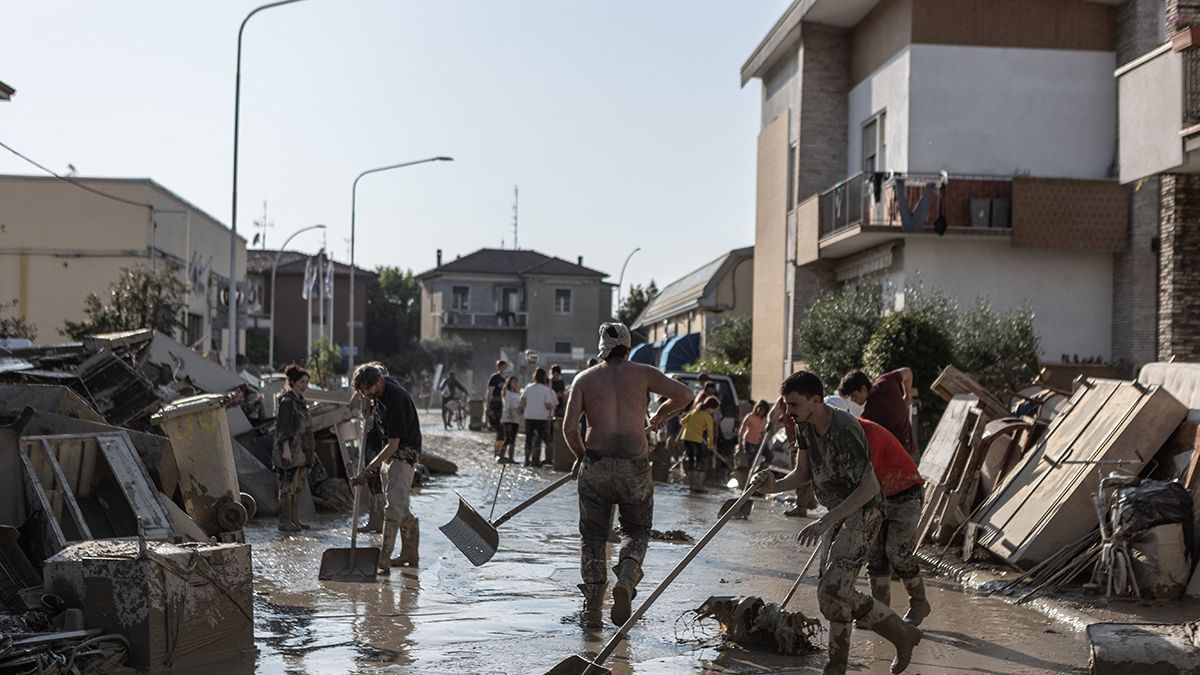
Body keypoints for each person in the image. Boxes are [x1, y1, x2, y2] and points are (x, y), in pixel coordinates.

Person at [750, 371, 922, 675]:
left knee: (833, 587)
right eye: (787, 405)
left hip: (865, 511)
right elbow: (802, 473)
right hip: (839, 511)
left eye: (794, 405)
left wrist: (825, 521)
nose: (788, 412)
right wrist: (772, 486)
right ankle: (837, 666)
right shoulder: (804, 425)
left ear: (816, 401)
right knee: (830, 595)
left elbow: (869, 488)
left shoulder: (844, 429)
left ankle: (901, 634)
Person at [562, 323, 693, 629]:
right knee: (636, 530)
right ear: (628, 345)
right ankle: (627, 577)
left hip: (596, 463)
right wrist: (664, 412)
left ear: (601, 347)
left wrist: (581, 457)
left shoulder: (584, 379)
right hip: (635, 465)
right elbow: (686, 395)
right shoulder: (644, 373)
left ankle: (592, 609)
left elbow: (569, 429)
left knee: (593, 534)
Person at [825, 397, 931, 627]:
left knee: (897, 551)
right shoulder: (838, 440)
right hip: (878, 496)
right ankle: (880, 613)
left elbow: (860, 481)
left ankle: (919, 602)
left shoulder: (867, 435)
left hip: (904, 493)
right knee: (875, 556)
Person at [351, 364, 423, 572]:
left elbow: (394, 445)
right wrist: (366, 402)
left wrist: (368, 470)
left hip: (405, 453)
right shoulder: (377, 391)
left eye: (368, 390)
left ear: (379, 382)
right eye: (363, 392)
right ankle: (410, 553)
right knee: (398, 504)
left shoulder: (395, 399)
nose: (366, 395)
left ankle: (383, 558)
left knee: (392, 507)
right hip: (392, 453)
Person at [273, 364, 315, 532]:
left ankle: (295, 520)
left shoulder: (300, 402)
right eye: (301, 382)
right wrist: (286, 449)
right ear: (292, 382)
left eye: (306, 382)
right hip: (289, 450)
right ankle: (284, 522)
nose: (304, 385)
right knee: (287, 487)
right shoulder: (287, 402)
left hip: (301, 451)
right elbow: (284, 427)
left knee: (297, 487)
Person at [841, 368, 916, 460]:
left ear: (863, 388)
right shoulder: (886, 381)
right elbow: (908, 372)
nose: (852, 400)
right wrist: (907, 395)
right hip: (911, 448)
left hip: (897, 460)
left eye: (853, 395)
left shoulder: (869, 414)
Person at [679, 396, 719, 493]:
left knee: (691, 459)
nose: (713, 412)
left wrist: (691, 427)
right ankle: (697, 485)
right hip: (695, 439)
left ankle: (691, 483)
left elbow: (682, 421)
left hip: (686, 438)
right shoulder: (708, 416)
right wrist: (710, 445)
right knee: (699, 460)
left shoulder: (694, 411)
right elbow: (710, 432)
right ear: (711, 408)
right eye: (714, 410)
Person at [520, 367, 558, 467]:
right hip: (542, 417)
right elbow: (548, 405)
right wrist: (553, 407)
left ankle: (526, 459)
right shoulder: (546, 390)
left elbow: (522, 401)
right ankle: (535, 460)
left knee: (529, 438)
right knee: (538, 439)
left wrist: (528, 407)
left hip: (529, 416)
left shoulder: (528, 387)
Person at [738, 399, 771, 471]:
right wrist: (740, 444)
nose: (762, 412)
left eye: (764, 410)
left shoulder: (765, 419)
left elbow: (764, 431)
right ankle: (749, 476)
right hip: (749, 442)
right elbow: (742, 431)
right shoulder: (750, 417)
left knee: (769, 457)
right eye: (761, 409)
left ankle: (759, 470)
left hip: (760, 442)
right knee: (751, 461)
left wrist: (763, 441)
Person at [486, 361, 509, 456]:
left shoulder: (508, 379)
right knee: (500, 430)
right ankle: (497, 452)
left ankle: (502, 452)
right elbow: (490, 393)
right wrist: (488, 407)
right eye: (501, 366)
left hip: (506, 406)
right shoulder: (495, 378)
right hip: (496, 405)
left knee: (506, 431)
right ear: (498, 367)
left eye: (504, 367)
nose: (503, 368)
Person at [499, 376, 522, 463]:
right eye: (513, 382)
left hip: (515, 417)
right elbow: (504, 390)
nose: (515, 383)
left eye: (516, 382)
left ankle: (511, 458)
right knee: (508, 438)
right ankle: (501, 456)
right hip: (507, 417)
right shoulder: (506, 392)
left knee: (513, 438)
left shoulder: (518, 394)